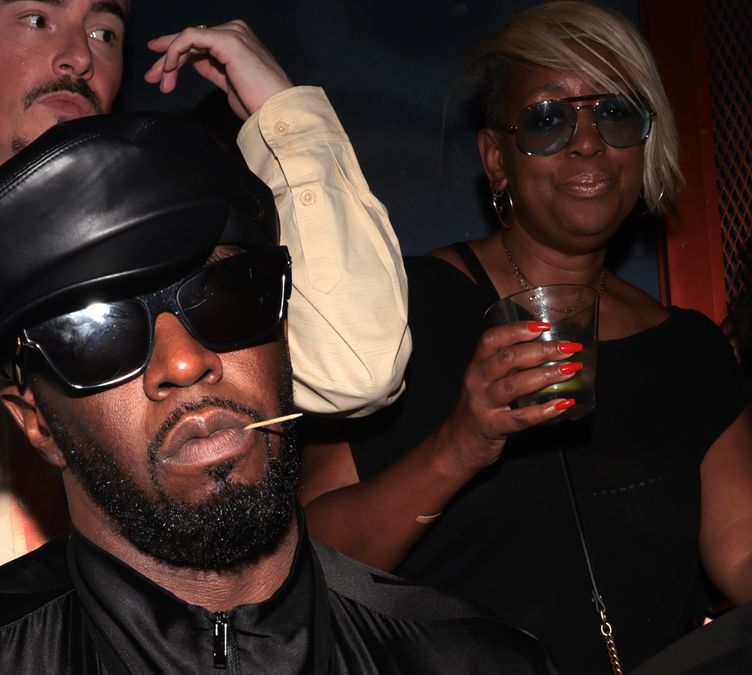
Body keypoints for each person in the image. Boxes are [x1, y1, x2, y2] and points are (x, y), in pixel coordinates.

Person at [0, 112, 554, 674]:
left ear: (281, 325)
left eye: (227, 296)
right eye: (98, 333)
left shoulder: (472, 661)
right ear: (36, 422)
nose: (186, 362)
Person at [0, 0, 412, 662]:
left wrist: (284, 117)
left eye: (104, 30)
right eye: (37, 19)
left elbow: (361, 367)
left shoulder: (198, 270)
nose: (78, 56)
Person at [303, 3, 752, 674]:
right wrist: (459, 446)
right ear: (497, 158)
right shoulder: (406, 309)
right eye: (547, 119)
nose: (587, 141)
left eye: (617, 113)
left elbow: (741, 549)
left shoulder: (690, 350)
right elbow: (306, 565)